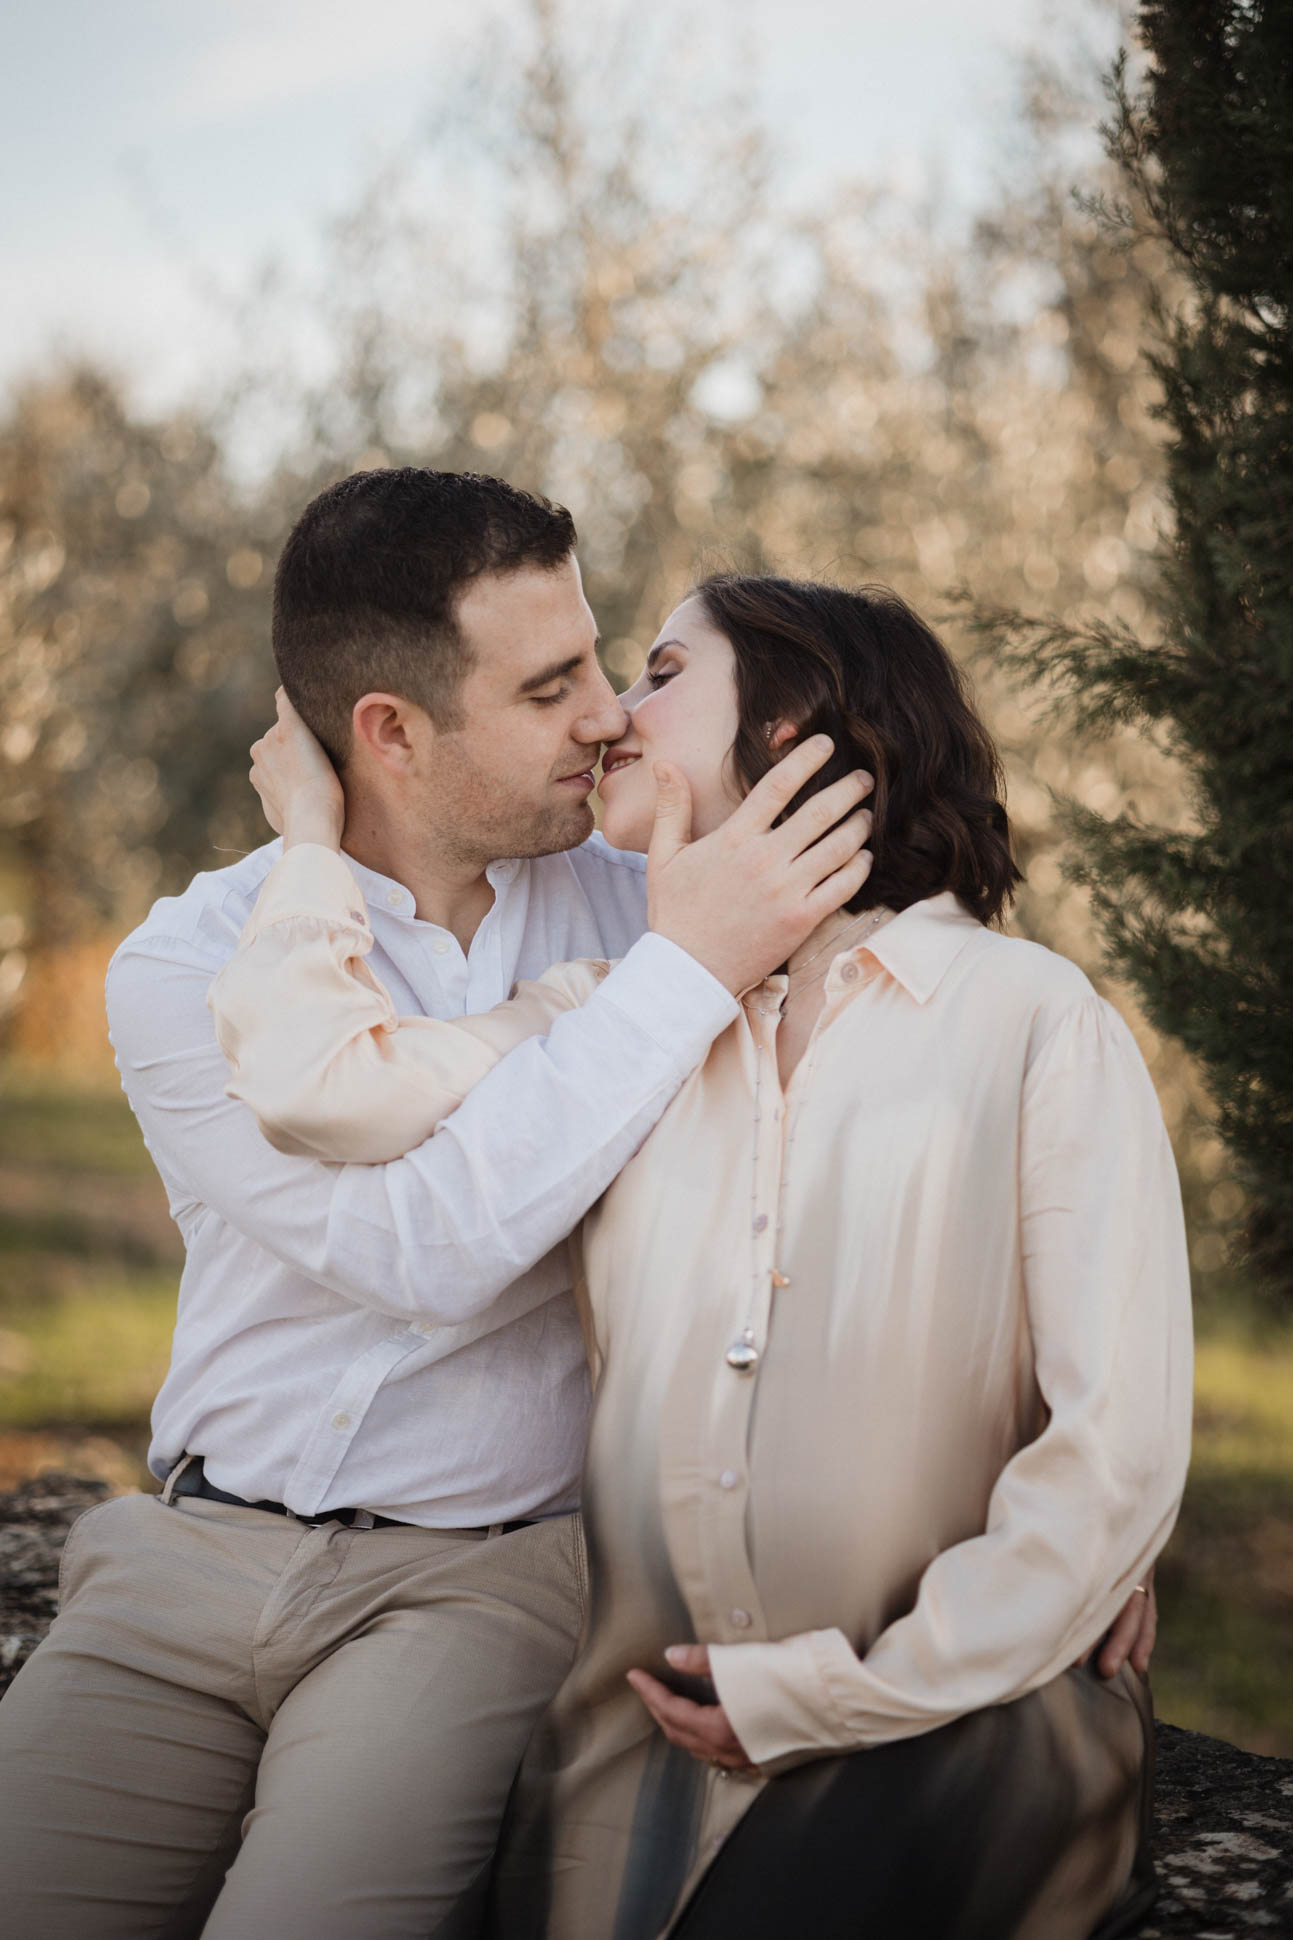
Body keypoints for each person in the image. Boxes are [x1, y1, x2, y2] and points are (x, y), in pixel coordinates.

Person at [208, 571, 1191, 1940]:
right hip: (629, 1739)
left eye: (661, 673)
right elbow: (320, 1082)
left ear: (789, 725)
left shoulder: (1029, 1021)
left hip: (955, 1716)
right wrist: (315, 838)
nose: (612, 713)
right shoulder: (617, 1022)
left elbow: (1112, 1456)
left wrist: (993, 1614)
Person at [0, 471, 878, 1940]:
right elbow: (423, 1255)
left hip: (480, 1583)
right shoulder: (186, 967)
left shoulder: (648, 897)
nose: (607, 713)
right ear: (391, 735)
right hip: (186, 1559)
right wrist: (666, 991)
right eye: (550, 686)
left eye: (599, 658)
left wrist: (1053, 1509)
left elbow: (933, 1074)